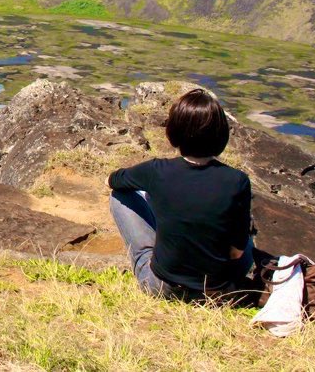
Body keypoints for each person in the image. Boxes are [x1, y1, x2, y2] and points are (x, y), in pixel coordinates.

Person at [108, 88, 253, 300]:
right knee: (247, 239)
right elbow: (236, 253)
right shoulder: (237, 181)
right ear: (221, 133)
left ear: (174, 131)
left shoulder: (157, 171)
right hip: (219, 288)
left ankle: (161, 253)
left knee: (120, 195)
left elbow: (113, 181)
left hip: (164, 287)